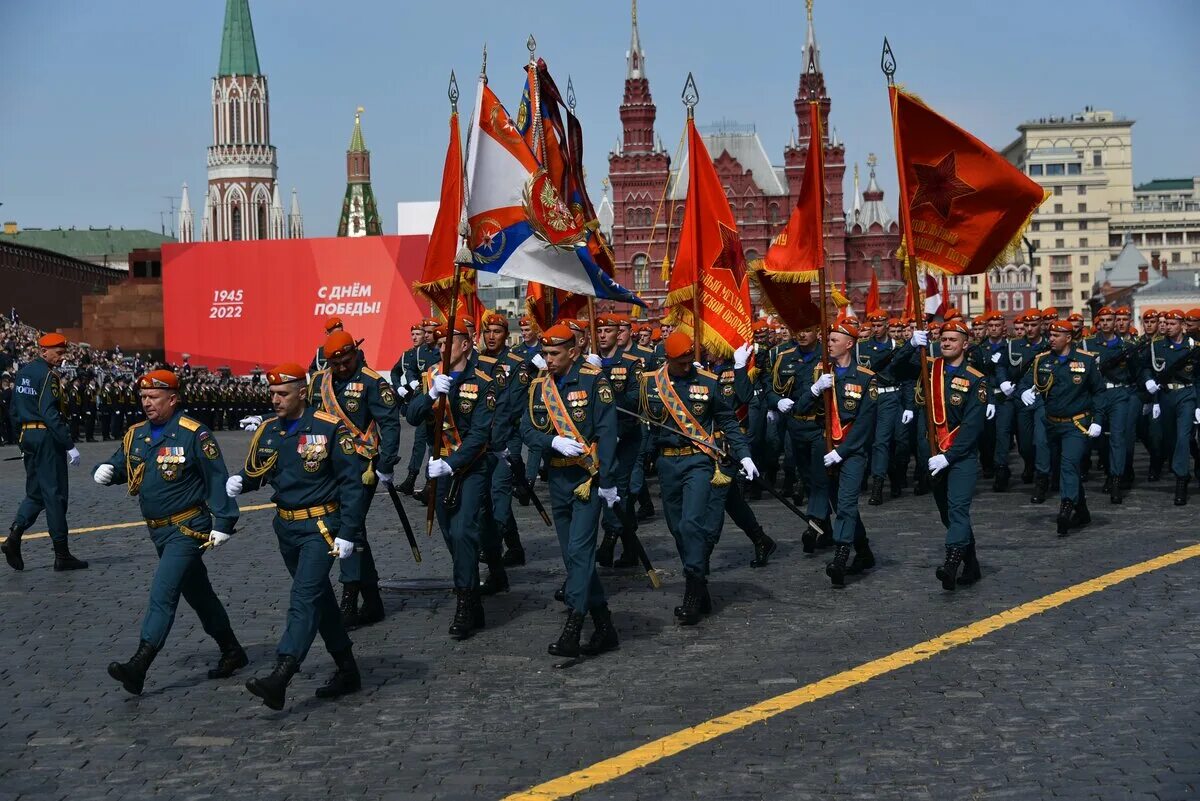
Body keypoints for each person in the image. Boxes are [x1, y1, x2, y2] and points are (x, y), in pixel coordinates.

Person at [93, 370, 244, 695]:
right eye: (144, 397)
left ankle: (139, 664)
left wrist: (224, 522)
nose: (147, 403)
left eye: (154, 397)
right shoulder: (137, 434)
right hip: (158, 531)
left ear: (173, 399)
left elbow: (216, 478)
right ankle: (232, 650)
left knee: (164, 591)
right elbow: (125, 465)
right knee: (198, 593)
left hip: (188, 527)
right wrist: (105, 471)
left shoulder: (193, 434)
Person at [227, 363, 366, 710]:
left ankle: (282, 673)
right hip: (286, 527)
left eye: (283, 394)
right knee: (320, 600)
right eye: (272, 394)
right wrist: (243, 482)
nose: (275, 400)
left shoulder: (329, 428)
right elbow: (260, 470)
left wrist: (348, 532)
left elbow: (352, 483)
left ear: (302, 393)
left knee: (303, 597)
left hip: (320, 527)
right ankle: (347, 669)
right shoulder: (270, 430)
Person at [640, 331, 755, 624]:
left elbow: (727, 419)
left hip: (699, 462)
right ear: (667, 360)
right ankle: (699, 580)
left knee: (692, 523)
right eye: (680, 362)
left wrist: (744, 454)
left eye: (689, 360)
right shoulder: (650, 383)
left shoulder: (707, 383)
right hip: (667, 464)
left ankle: (692, 587)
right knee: (678, 529)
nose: (687, 366)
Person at [522, 323, 622, 656]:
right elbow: (525, 428)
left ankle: (575, 626)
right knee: (572, 558)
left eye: (554, 353)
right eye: (545, 353)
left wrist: (607, 482)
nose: (547, 359)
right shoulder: (539, 387)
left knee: (580, 552)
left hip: (586, 480)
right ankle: (605, 624)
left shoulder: (595, 381)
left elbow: (607, 433)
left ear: (573, 352)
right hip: (558, 480)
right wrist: (550, 440)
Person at [405, 318, 499, 639]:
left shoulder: (483, 379)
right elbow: (412, 416)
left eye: (449, 339)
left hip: (470, 467)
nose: (442, 345)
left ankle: (465, 602)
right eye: (439, 340)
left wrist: (452, 463)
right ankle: (474, 600)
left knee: (463, 532)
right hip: (439, 467)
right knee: (449, 533)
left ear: (465, 343)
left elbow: (479, 436)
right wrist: (430, 393)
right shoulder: (432, 375)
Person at [308, 329, 401, 629]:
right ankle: (372, 602)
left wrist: (386, 463)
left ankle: (349, 599)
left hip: (363, 467)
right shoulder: (321, 382)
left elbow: (390, 423)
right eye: (335, 364)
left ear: (355, 354)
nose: (341, 368)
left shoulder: (373, 382)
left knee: (349, 527)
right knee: (355, 530)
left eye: (346, 362)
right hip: (329, 467)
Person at [910, 320, 985, 590]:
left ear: (965, 344)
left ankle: (952, 563)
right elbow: (894, 373)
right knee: (947, 514)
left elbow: (972, 426)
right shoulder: (930, 368)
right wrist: (911, 347)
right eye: (943, 339)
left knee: (957, 509)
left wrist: (950, 456)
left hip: (960, 456)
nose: (946, 343)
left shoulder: (976, 379)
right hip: (933, 454)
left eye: (953, 339)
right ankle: (972, 562)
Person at [2, 333, 87, 572]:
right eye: (58, 353)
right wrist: (69, 444)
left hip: (28, 436)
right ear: (43, 352)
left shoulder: (23, 374)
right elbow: (50, 413)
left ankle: (14, 537)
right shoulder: (48, 376)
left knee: (36, 493)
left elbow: (14, 410)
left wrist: (21, 440)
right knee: (55, 494)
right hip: (47, 438)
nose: (62, 358)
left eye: (63, 353)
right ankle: (62, 554)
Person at [803, 319, 878, 587]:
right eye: (828, 340)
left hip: (852, 452)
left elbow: (865, 425)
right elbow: (800, 407)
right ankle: (865, 550)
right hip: (826, 448)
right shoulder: (822, 373)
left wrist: (843, 451)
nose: (829, 344)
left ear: (849, 344)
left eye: (834, 340)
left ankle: (841, 555)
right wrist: (814, 389)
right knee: (838, 503)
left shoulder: (866, 378)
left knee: (846, 504)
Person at [1019, 320, 1104, 534]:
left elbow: (1099, 392)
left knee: (1068, 465)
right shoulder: (1042, 360)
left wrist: (1098, 420)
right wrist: (1023, 392)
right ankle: (1082, 510)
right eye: (1050, 335)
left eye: (1057, 335)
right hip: (1050, 424)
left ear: (1069, 337)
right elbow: (1025, 381)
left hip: (1075, 424)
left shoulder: (1086, 361)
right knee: (1065, 467)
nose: (1052, 339)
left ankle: (1066, 507)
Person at [767, 323, 832, 552]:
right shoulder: (785, 358)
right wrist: (776, 401)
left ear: (818, 332)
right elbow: (769, 386)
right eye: (799, 330)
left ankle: (813, 524)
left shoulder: (828, 355)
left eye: (807, 329)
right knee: (806, 476)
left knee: (819, 478)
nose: (801, 333)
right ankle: (827, 530)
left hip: (820, 426)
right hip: (795, 426)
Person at [590, 313, 647, 569]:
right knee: (603, 489)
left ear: (618, 333)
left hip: (625, 436)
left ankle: (610, 538)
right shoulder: (587, 363)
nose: (602, 335)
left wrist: (601, 379)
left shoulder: (633, 363)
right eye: (599, 331)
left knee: (619, 488)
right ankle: (631, 548)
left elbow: (634, 399)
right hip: (598, 440)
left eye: (608, 330)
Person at [1140, 309, 1199, 505]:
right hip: (1165, 395)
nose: (1168, 326)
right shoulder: (1157, 345)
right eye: (1167, 323)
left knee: (1183, 436)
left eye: (1173, 323)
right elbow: (1146, 367)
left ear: (1182, 325)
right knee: (1170, 439)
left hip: (1186, 394)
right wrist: (1149, 381)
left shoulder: (1194, 346)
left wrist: (1199, 404)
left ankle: (1181, 479)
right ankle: (1180, 470)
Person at [857, 311, 903, 506]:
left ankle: (877, 484)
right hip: (868, 397)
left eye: (880, 325)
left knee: (882, 441)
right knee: (868, 442)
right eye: (873, 325)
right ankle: (892, 473)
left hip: (889, 396)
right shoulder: (861, 347)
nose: (876, 329)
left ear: (886, 325)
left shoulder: (896, 346)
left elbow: (906, 374)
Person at [394, 320, 440, 496]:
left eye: (427, 332)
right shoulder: (417, 352)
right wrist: (405, 383)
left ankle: (430, 482)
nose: (424, 336)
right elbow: (402, 370)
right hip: (423, 401)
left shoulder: (443, 350)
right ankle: (415, 478)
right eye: (424, 332)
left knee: (433, 443)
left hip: (440, 402)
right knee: (422, 441)